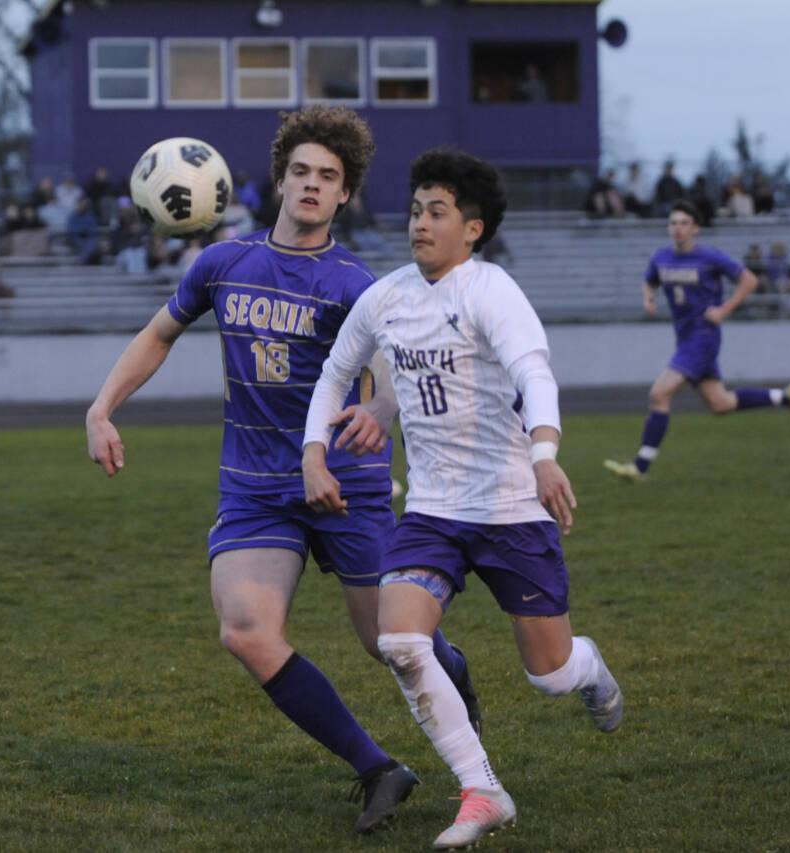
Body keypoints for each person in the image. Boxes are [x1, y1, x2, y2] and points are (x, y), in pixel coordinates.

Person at [84, 106, 480, 836]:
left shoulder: (355, 283)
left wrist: (380, 409)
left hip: (345, 483)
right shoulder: (223, 264)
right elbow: (159, 334)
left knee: (390, 643)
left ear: (344, 194)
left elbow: (394, 365)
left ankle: (454, 674)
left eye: (328, 176)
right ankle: (377, 768)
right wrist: (102, 407)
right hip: (256, 488)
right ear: (279, 181)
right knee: (245, 630)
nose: (312, 184)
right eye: (301, 171)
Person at [301, 147, 624, 851]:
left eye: (437, 212)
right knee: (399, 640)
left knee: (549, 674)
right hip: (433, 511)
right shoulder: (385, 297)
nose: (420, 223)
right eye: (417, 210)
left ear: (472, 229)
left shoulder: (491, 291)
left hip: (511, 509)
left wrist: (544, 455)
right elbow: (334, 373)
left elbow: (534, 374)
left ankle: (589, 666)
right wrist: (313, 452)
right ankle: (483, 789)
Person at [604, 200, 790, 483]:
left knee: (659, 394)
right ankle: (785, 397)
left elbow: (749, 280)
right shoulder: (661, 258)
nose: (678, 228)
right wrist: (648, 298)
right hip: (685, 338)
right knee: (720, 404)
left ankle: (640, 468)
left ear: (696, 229)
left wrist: (724, 310)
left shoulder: (709, 256)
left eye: (684, 223)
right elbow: (649, 280)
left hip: (703, 337)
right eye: (673, 223)